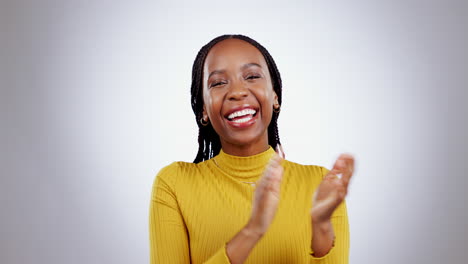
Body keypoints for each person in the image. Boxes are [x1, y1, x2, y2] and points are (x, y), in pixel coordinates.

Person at [149, 34, 355, 264]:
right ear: (204, 110)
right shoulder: (174, 185)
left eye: (252, 76)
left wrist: (321, 228)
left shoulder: (319, 184)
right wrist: (253, 230)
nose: (238, 92)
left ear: (275, 95)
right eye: (218, 83)